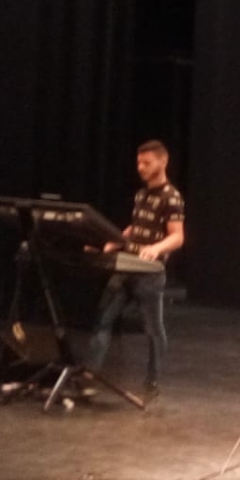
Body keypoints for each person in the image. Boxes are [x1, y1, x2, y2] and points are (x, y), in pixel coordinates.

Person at [85, 140, 186, 399]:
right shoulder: (141, 195)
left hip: (150, 273)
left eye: (146, 163)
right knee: (103, 319)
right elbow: (136, 226)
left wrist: (156, 248)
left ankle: (152, 381)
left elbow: (177, 236)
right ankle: (89, 375)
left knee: (153, 329)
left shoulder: (171, 197)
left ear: (163, 162)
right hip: (127, 264)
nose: (140, 167)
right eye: (139, 163)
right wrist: (116, 240)